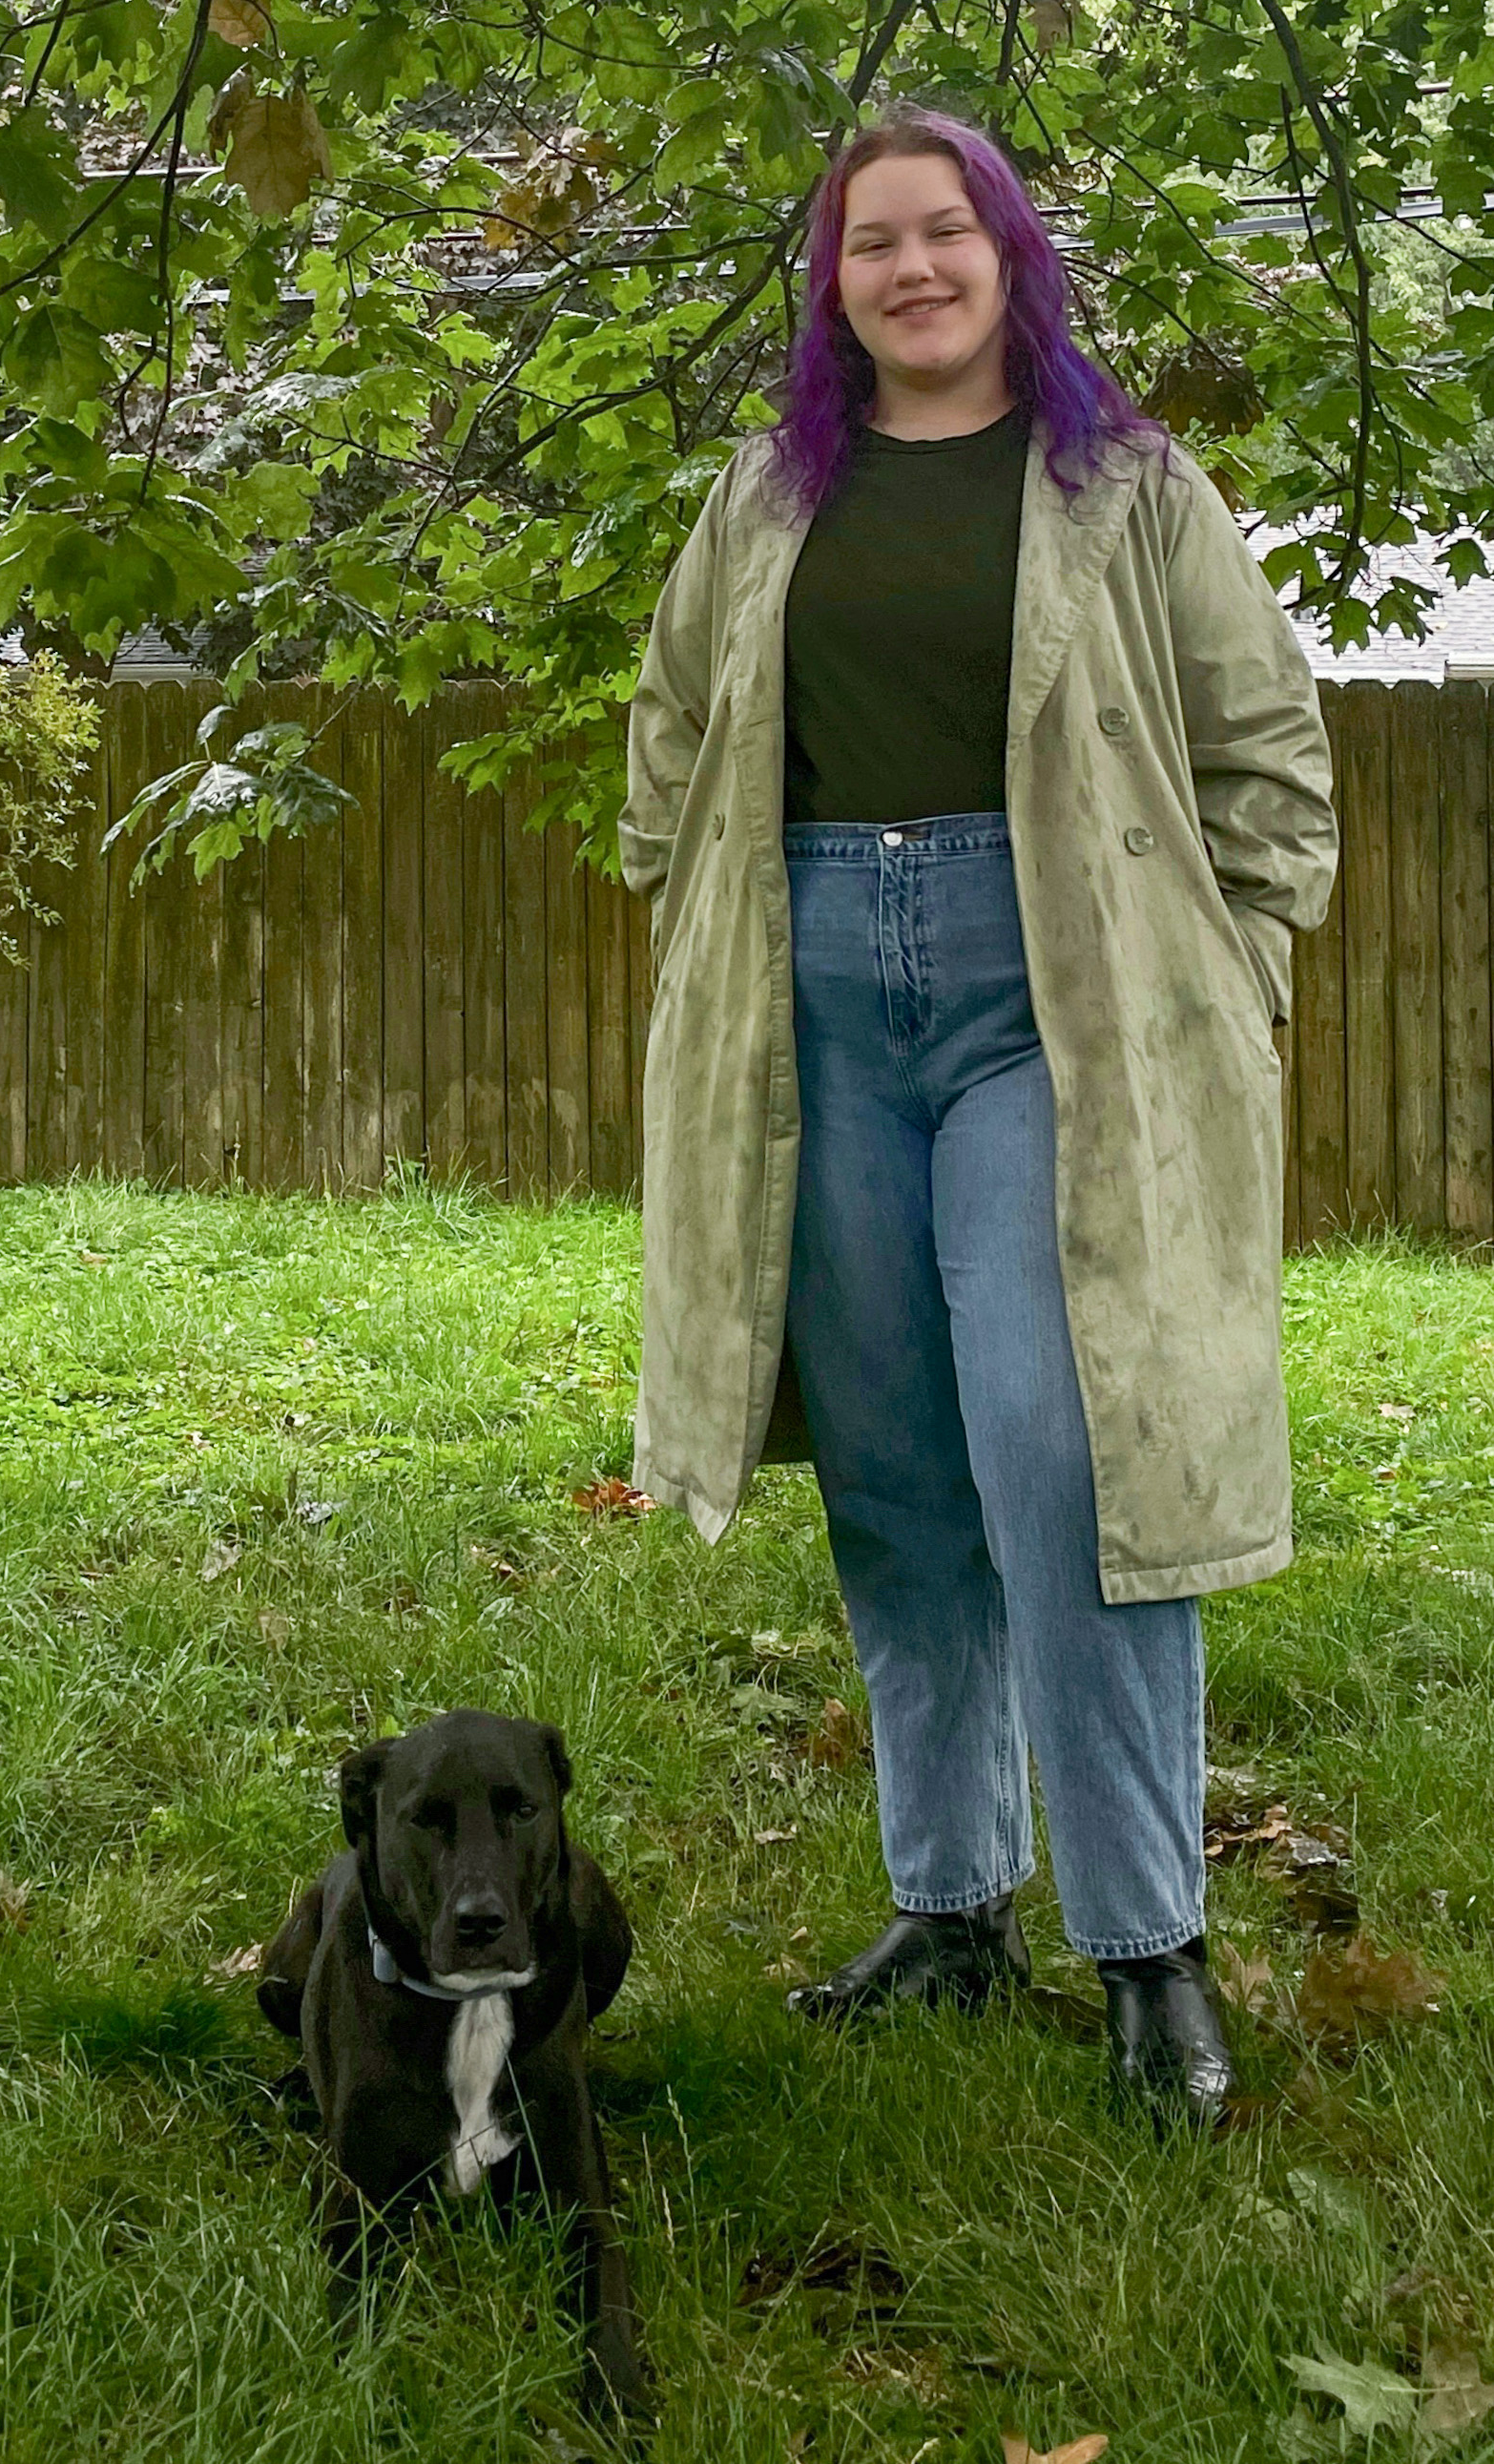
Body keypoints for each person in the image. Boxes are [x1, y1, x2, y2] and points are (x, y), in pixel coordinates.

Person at [618, 105, 1339, 2131]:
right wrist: (686, 913)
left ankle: (1146, 1947)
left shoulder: (1124, 487)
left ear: (1005, 253)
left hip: (1058, 1008)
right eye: (870, 246)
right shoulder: (768, 497)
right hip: (819, 996)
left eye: (943, 233)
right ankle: (947, 1908)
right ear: (831, 285)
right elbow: (672, 726)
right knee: (895, 1461)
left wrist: (1232, 981)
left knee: (1066, 1445)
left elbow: (1265, 758)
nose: (909, 270)